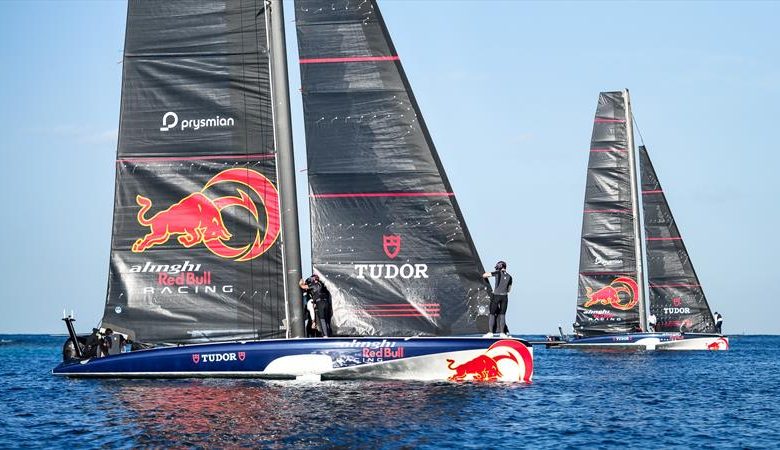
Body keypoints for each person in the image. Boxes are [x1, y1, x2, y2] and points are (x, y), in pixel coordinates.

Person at [482, 261, 512, 338]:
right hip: (505, 297)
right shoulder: (510, 277)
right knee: (502, 315)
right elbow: (509, 290)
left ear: (499, 267)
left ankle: (490, 333)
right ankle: (502, 333)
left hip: (496, 296)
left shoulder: (497, 273)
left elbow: (484, 275)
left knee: (492, 314)